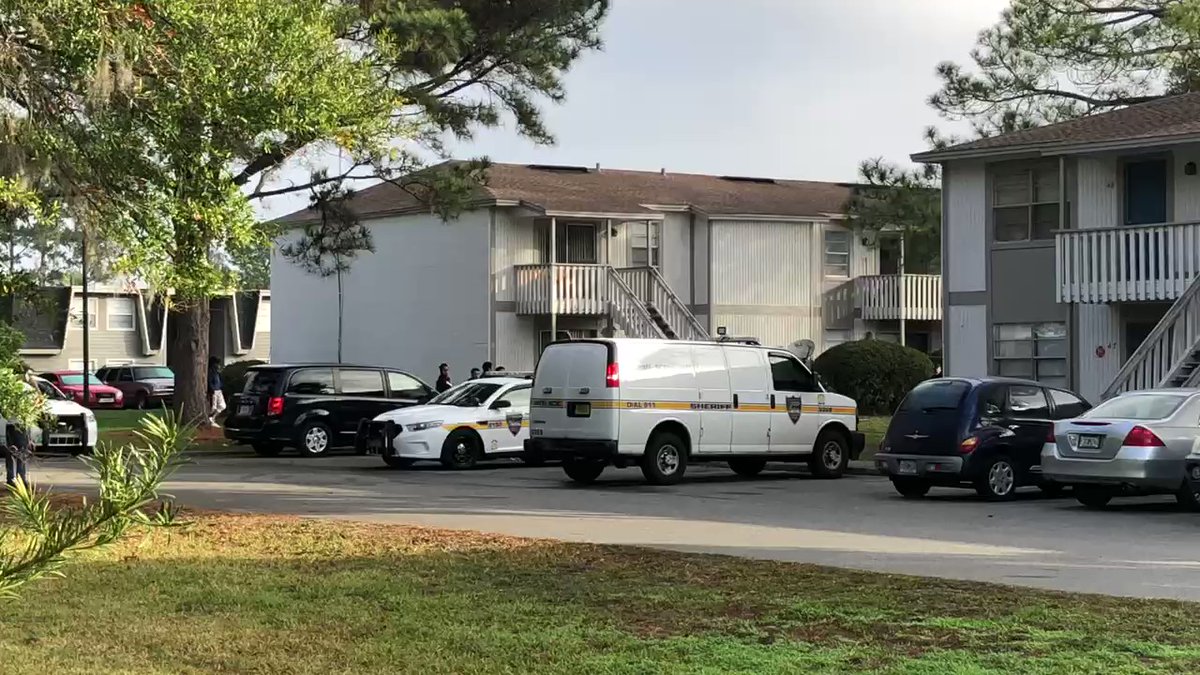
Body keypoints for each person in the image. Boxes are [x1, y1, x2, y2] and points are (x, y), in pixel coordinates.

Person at [207, 357, 226, 427]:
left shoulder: (217, 372)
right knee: (213, 407)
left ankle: (212, 418)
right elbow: (209, 381)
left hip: (219, 390)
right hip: (214, 391)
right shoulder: (210, 372)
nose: (218, 365)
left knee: (222, 406)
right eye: (217, 364)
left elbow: (220, 381)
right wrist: (212, 389)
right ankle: (210, 419)